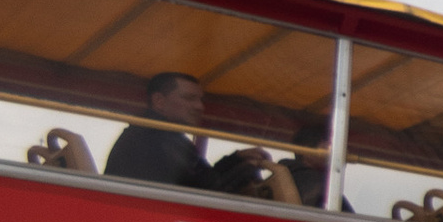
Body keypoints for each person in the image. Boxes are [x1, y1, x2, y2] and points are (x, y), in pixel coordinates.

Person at [102, 69, 300, 199]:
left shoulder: (160, 135)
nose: (199, 107)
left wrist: (236, 158)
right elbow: (210, 192)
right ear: (159, 101)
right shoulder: (153, 139)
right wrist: (246, 169)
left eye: (200, 100)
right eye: (189, 98)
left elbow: (202, 178)